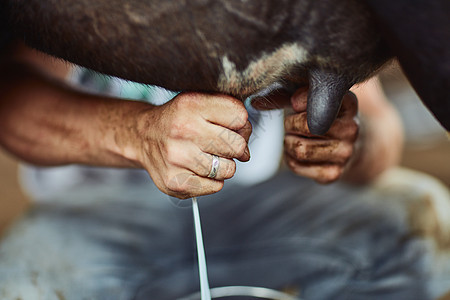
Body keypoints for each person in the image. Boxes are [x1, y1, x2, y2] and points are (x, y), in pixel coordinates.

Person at [2, 42, 450, 299]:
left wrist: (345, 141)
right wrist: (136, 133)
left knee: (415, 219)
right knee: (24, 285)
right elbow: (11, 100)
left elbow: (381, 125)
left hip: (255, 201)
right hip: (93, 212)